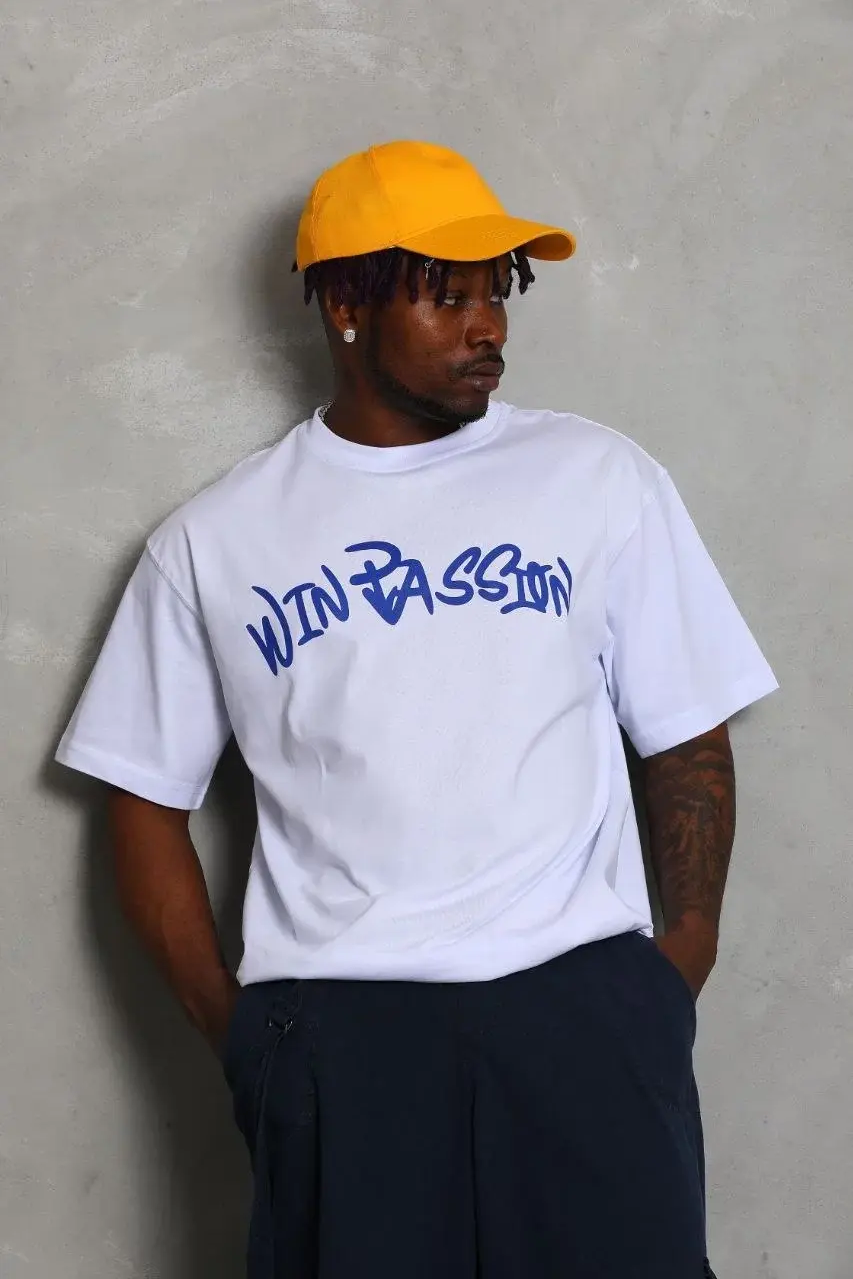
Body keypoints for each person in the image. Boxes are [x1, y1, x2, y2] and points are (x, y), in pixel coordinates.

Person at [56, 140, 777, 1278]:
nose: (488, 326)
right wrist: (244, 1036)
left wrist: (671, 967)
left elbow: (686, 731)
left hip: (582, 1018)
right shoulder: (217, 541)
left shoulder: (598, 478)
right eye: (449, 296)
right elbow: (139, 795)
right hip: (345, 1039)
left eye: (497, 292)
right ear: (346, 306)